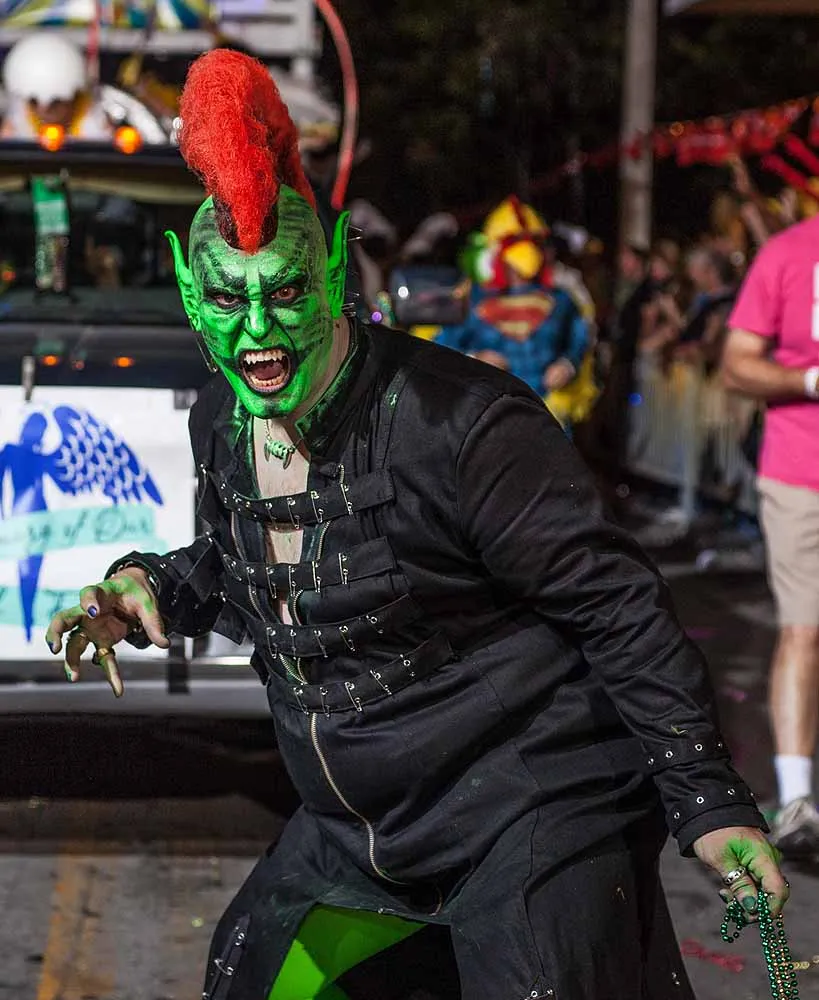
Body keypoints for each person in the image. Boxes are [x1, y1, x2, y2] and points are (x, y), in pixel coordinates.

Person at [46, 50, 788, 1000]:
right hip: (361, 832)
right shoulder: (222, 419)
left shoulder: (462, 423)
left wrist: (708, 798)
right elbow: (252, 564)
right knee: (253, 981)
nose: (258, 330)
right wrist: (145, 585)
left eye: (285, 290)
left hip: (526, 809)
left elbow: (617, 606)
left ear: (333, 275)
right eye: (230, 297)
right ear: (193, 295)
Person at [723, 211, 819, 855]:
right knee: (804, 629)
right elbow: (736, 366)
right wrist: (810, 379)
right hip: (802, 473)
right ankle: (797, 800)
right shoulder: (789, 252)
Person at [0, 32, 113, 141]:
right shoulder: (18, 119)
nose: (43, 112)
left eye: (55, 102)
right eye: (33, 101)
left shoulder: (96, 123)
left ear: (74, 96)